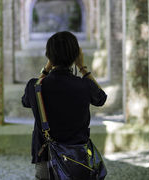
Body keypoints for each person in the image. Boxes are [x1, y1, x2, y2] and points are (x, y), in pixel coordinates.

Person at [21, 31, 107, 180]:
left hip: (46, 160)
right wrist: (82, 67)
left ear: (49, 56)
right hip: (79, 160)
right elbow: (101, 98)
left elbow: (25, 101)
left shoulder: (35, 87)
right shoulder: (84, 85)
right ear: (76, 56)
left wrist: (46, 69)